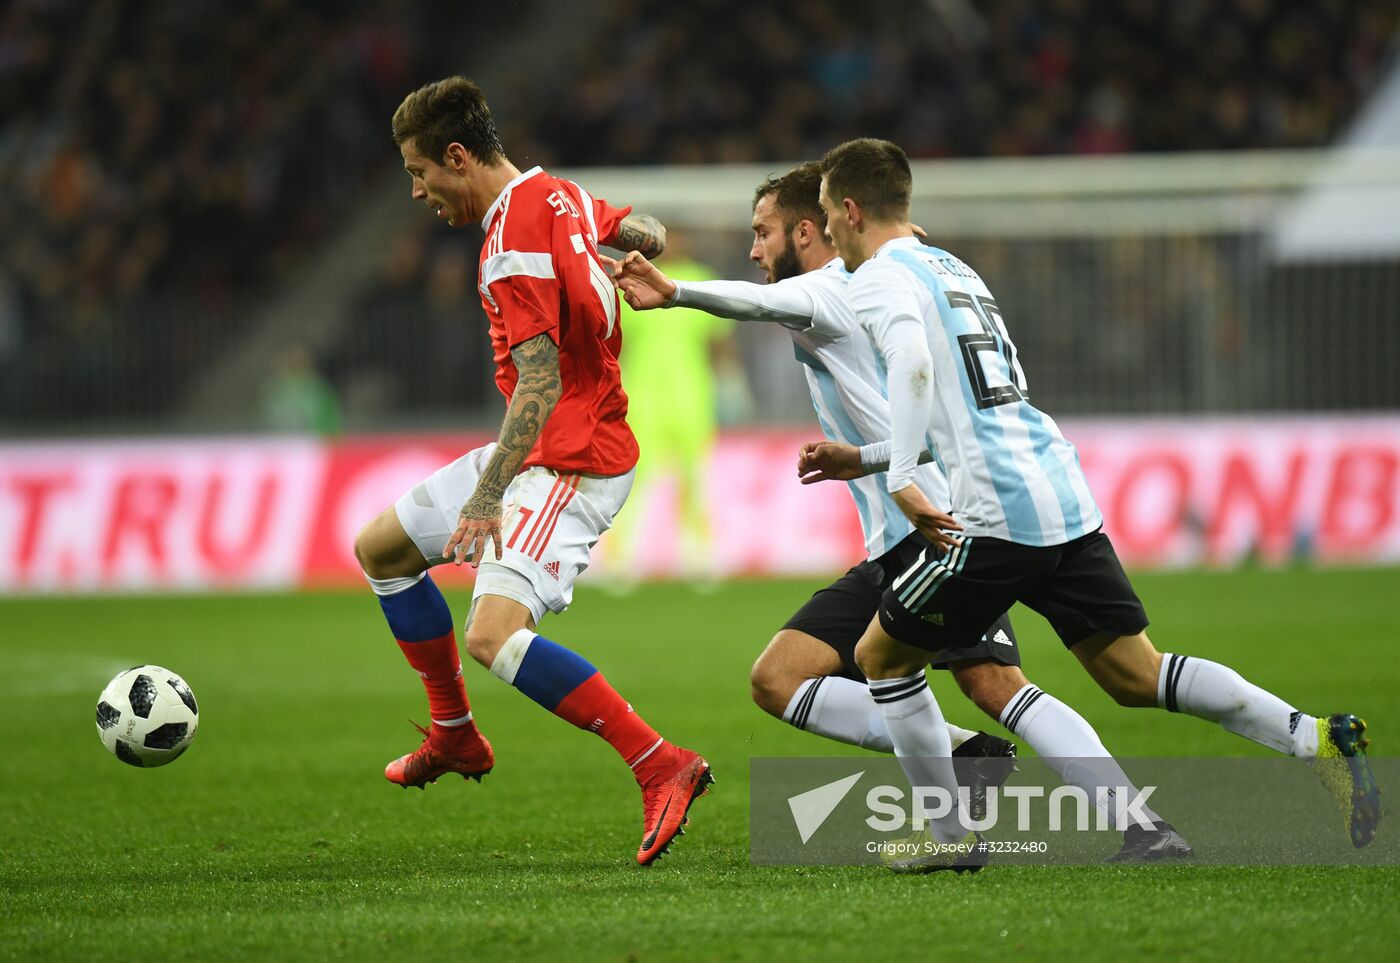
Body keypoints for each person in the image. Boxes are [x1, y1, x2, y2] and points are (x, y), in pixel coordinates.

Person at [800, 137, 1379, 870]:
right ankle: (1315, 736)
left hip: (994, 514)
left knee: (880, 657)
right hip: (1058, 490)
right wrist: (871, 455)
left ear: (849, 211)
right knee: (1135, 672)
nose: (830, 235)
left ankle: (948, 840)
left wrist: (901, 479)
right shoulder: (955, 268)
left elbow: (913, 365)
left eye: (826, 215)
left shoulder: (881, 275)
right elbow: (971, 405)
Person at [611, 161, 1189, 863]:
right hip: (894, 541)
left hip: (935, 524)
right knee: (778, 677)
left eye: (762, 233)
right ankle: (967, 755)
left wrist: (676, 293)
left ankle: (1133, 822)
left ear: (807, 230)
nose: (754, 250)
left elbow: (753, 304)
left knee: (994, 681)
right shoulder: (850, 287)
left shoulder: (831, 287)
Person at [352, 76, 710, 866]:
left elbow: (542, 382)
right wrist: (631, 247)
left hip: (568, 459)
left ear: (456, 155)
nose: (416, 191)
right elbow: (640, 227)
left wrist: (486, 498)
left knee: (493, 635)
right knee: (380, 550)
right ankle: (453, 735)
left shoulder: (509, 242)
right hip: (539, 441)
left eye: (419, 172)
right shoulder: (559, 193)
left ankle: (662, 762)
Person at [605, 232, 740, 587]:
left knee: (695, 477)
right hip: (643, 394)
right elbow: (621, 344)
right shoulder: (634, 285)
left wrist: (732, 383)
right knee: (635, 478)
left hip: (691, 393)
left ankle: (699, 556)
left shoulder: (699, 279)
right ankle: (620, 558)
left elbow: (717, 339)